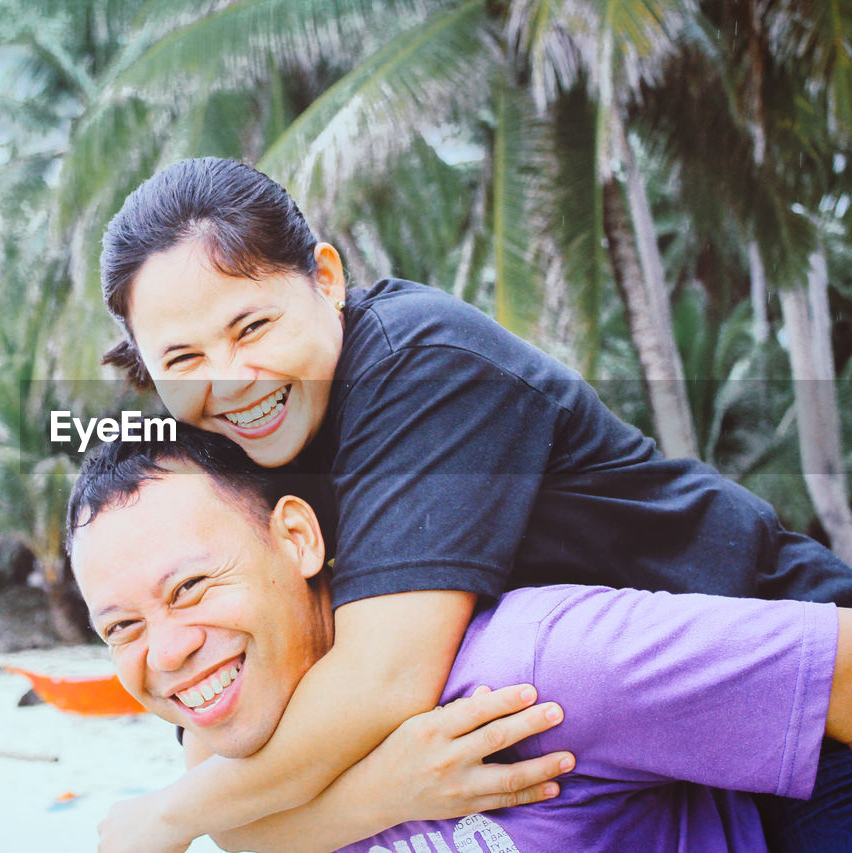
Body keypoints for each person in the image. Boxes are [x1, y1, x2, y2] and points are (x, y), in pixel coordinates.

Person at [91, 156, 852, 852]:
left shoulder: (422, 364)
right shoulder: (237, 445)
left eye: (251, 324)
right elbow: (232, 781)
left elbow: (383, 683)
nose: (231, 379)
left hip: (793, 684)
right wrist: (368, 795)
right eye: (182, 359)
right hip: (644, 760)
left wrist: (168, 816)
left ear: (327, 278)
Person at [66, 430, 852, 853]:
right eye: (122, 627)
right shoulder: (236, 782)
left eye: (191, 587)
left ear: (301, 538)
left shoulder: (542, 670)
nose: (166, 653)